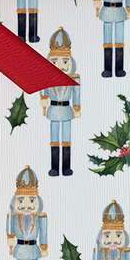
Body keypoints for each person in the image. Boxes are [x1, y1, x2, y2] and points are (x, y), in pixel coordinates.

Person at [7, 166, 48, 260]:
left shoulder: (40, 217)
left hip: (34, 248)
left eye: (31, 200)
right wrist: (10, 238)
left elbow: (43, 232)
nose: (26, 205)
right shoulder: (13, 216)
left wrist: (44, 246)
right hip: (19, 248)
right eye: (21, 200)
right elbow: (9, 229)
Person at [41, 28, 80, 177]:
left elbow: (77, 94)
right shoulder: (47, 78)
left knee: (66, 139)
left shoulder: (74, 78)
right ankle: (55, 167)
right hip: (52, 109)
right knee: (54, 140)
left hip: (67, 110)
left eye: (64, 61)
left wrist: (77, 107)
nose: (60, 66)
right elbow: (42, 89)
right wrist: (43, 98)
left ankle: (66, 167)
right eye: (54, 62)